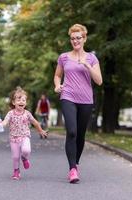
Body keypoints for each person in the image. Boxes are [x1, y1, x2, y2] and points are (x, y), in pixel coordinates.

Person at [53, 24, 103, 183]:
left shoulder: (92, 58)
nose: (75, 41)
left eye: (78, 38)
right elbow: (57, 76)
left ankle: (76, 163)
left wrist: (86, 65)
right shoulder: (63, 57)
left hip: (86, 100)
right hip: (68, 96)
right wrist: (57, 85)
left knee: (80, 135)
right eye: (73, 38)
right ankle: (72, 169)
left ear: (84, 38)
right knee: (72, 131)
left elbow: (99, 81)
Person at [0, 87, 47, 180]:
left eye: (23, 100)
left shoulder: (27, 113)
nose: (21, 102)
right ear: (14, 102)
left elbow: (35, 122)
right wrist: (0, 124)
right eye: (18, 99)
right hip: (13, 138)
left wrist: (40, 130)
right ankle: (16, 171)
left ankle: (24, 158)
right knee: (15, 157)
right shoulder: (10, 113)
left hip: (25, 136)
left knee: (26, 150)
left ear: (25, 103)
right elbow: (5, 122)